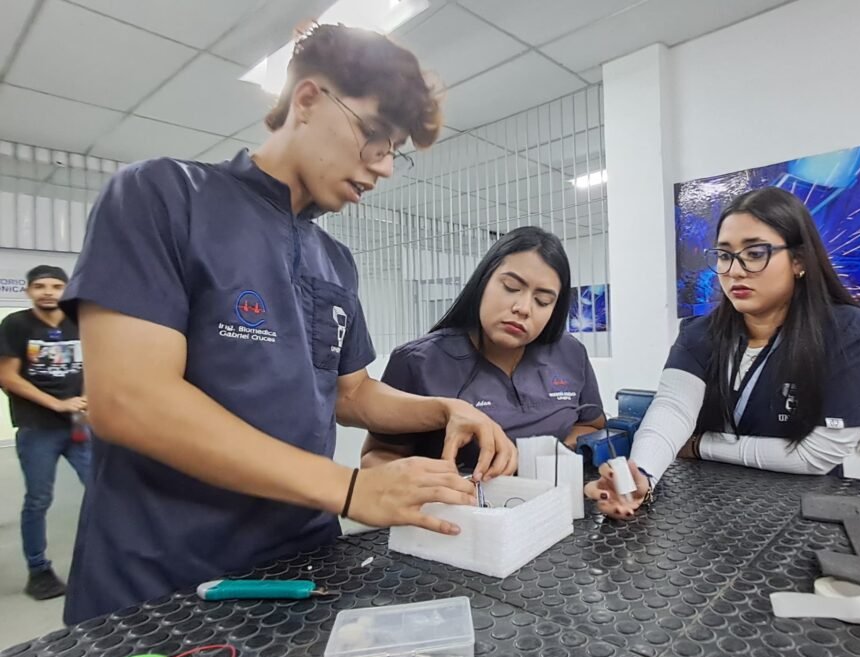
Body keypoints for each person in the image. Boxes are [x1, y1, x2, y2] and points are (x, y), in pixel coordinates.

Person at [59, 24, 516, 624]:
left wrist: (444, 410)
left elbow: (352, 393)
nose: (382, 168)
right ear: (306, 100)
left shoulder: (336, 260)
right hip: (162, 579)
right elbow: (130, 399)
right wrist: (352, 490)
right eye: (374, 137)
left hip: (303, 570)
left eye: (393, 153)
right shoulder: (162, 196)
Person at [586, 187, 860, 518]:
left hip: (806, 514)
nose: (735, 270)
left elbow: (817, 454)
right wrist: (640, 476)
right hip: (712, 512)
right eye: (725, 255)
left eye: (755, 253)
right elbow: (672, 411)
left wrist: (701, 446)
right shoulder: (700, 334)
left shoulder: (849, 333)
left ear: (799, 260)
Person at [362, 227, 604, 470]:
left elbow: (592, 425)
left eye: (543, 301)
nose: (523, 308)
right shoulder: (418, 362)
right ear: (483, 280)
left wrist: (548, 458)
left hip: (555, 501)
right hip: (458, 503)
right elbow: (378, 457)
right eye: (510, 287)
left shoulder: (570, 353)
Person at [0, 265, 90, 600]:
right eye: (40, 286)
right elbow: (8, 377)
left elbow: (93, 365)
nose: (48, 292)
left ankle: (101, 560)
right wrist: (57, 404)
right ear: (28, 291)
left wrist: (89, 400)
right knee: (39, 500)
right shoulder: (16, 325)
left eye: (55, 285)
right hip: (38, 428)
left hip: (80, 425)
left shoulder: (77, 322)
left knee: (100, 491)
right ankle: (38, 571)